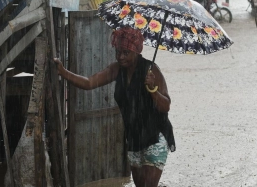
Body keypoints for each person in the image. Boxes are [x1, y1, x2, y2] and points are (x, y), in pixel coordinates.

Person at [54, 27, 175, 187]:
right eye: (118, 52)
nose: (120, 57)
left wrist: (152, 90)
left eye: (126, 53)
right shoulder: (116, 69)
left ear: (137, 52)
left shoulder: (151, 71)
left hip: (155, 137)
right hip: (134, 139)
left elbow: (165, 106)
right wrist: (63, 72)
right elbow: (90, 82)